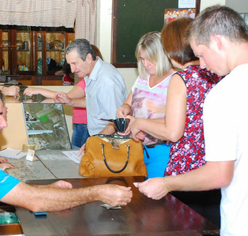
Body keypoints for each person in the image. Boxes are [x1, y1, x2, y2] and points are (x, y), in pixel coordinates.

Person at [0, 88, 133, 235]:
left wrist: (49, 190)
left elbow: (6, 192)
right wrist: (98, 193)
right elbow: (36, 202)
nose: (4, 124)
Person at [137, 6, 248, 235]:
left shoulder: (226, 91)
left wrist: (166, 183)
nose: (203, 65)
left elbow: (219, 173)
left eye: (201, 54)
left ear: (217, 42)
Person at [130, 17, 222, 227]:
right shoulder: (218, 73)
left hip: (187, 170)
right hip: (216, 168)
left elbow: (173, 131)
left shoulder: (182, 79)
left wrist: (139, 122)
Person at [101, 32, 175, 178]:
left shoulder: (174, 81)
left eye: (150, 59)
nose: (146, 64)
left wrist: (140, 123)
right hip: (136, 147)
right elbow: (128, 103)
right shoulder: (142, 78)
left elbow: (175, 122)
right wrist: (124, 109)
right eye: (142, 59)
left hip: (161, 150)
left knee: (154, 196)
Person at [23, 44, 104, 149]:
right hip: (82, 125)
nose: (73, 69)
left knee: (77, 154)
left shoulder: (88, 81)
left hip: (84, 126)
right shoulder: (90, 79)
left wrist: (39, 90)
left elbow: (66, 97)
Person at [54, 39, 127, 137]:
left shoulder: (107, 80)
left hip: (108, 140)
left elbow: (117, 121)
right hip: (98, 136)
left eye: (75, 63)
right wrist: (70, 101)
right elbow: (94, 102)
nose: (72, 69)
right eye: (70, 64)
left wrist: (93, 142)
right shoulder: (90, 73)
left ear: (88, 58)